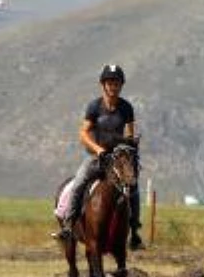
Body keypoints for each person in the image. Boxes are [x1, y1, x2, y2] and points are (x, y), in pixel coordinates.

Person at [53, 64, 144, 250]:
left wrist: (130, 147)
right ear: (103, 85)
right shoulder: (94, 107)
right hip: (98, 157)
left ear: (121, 85)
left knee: (133, 186)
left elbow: (129, 134)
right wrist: (97, 149)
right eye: (109, 82)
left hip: (118, 159)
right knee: (79, 182)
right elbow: (83, 133)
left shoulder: (127, 108)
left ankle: (134, 231)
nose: (113, 86)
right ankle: (69, 226)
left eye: (116, 83)